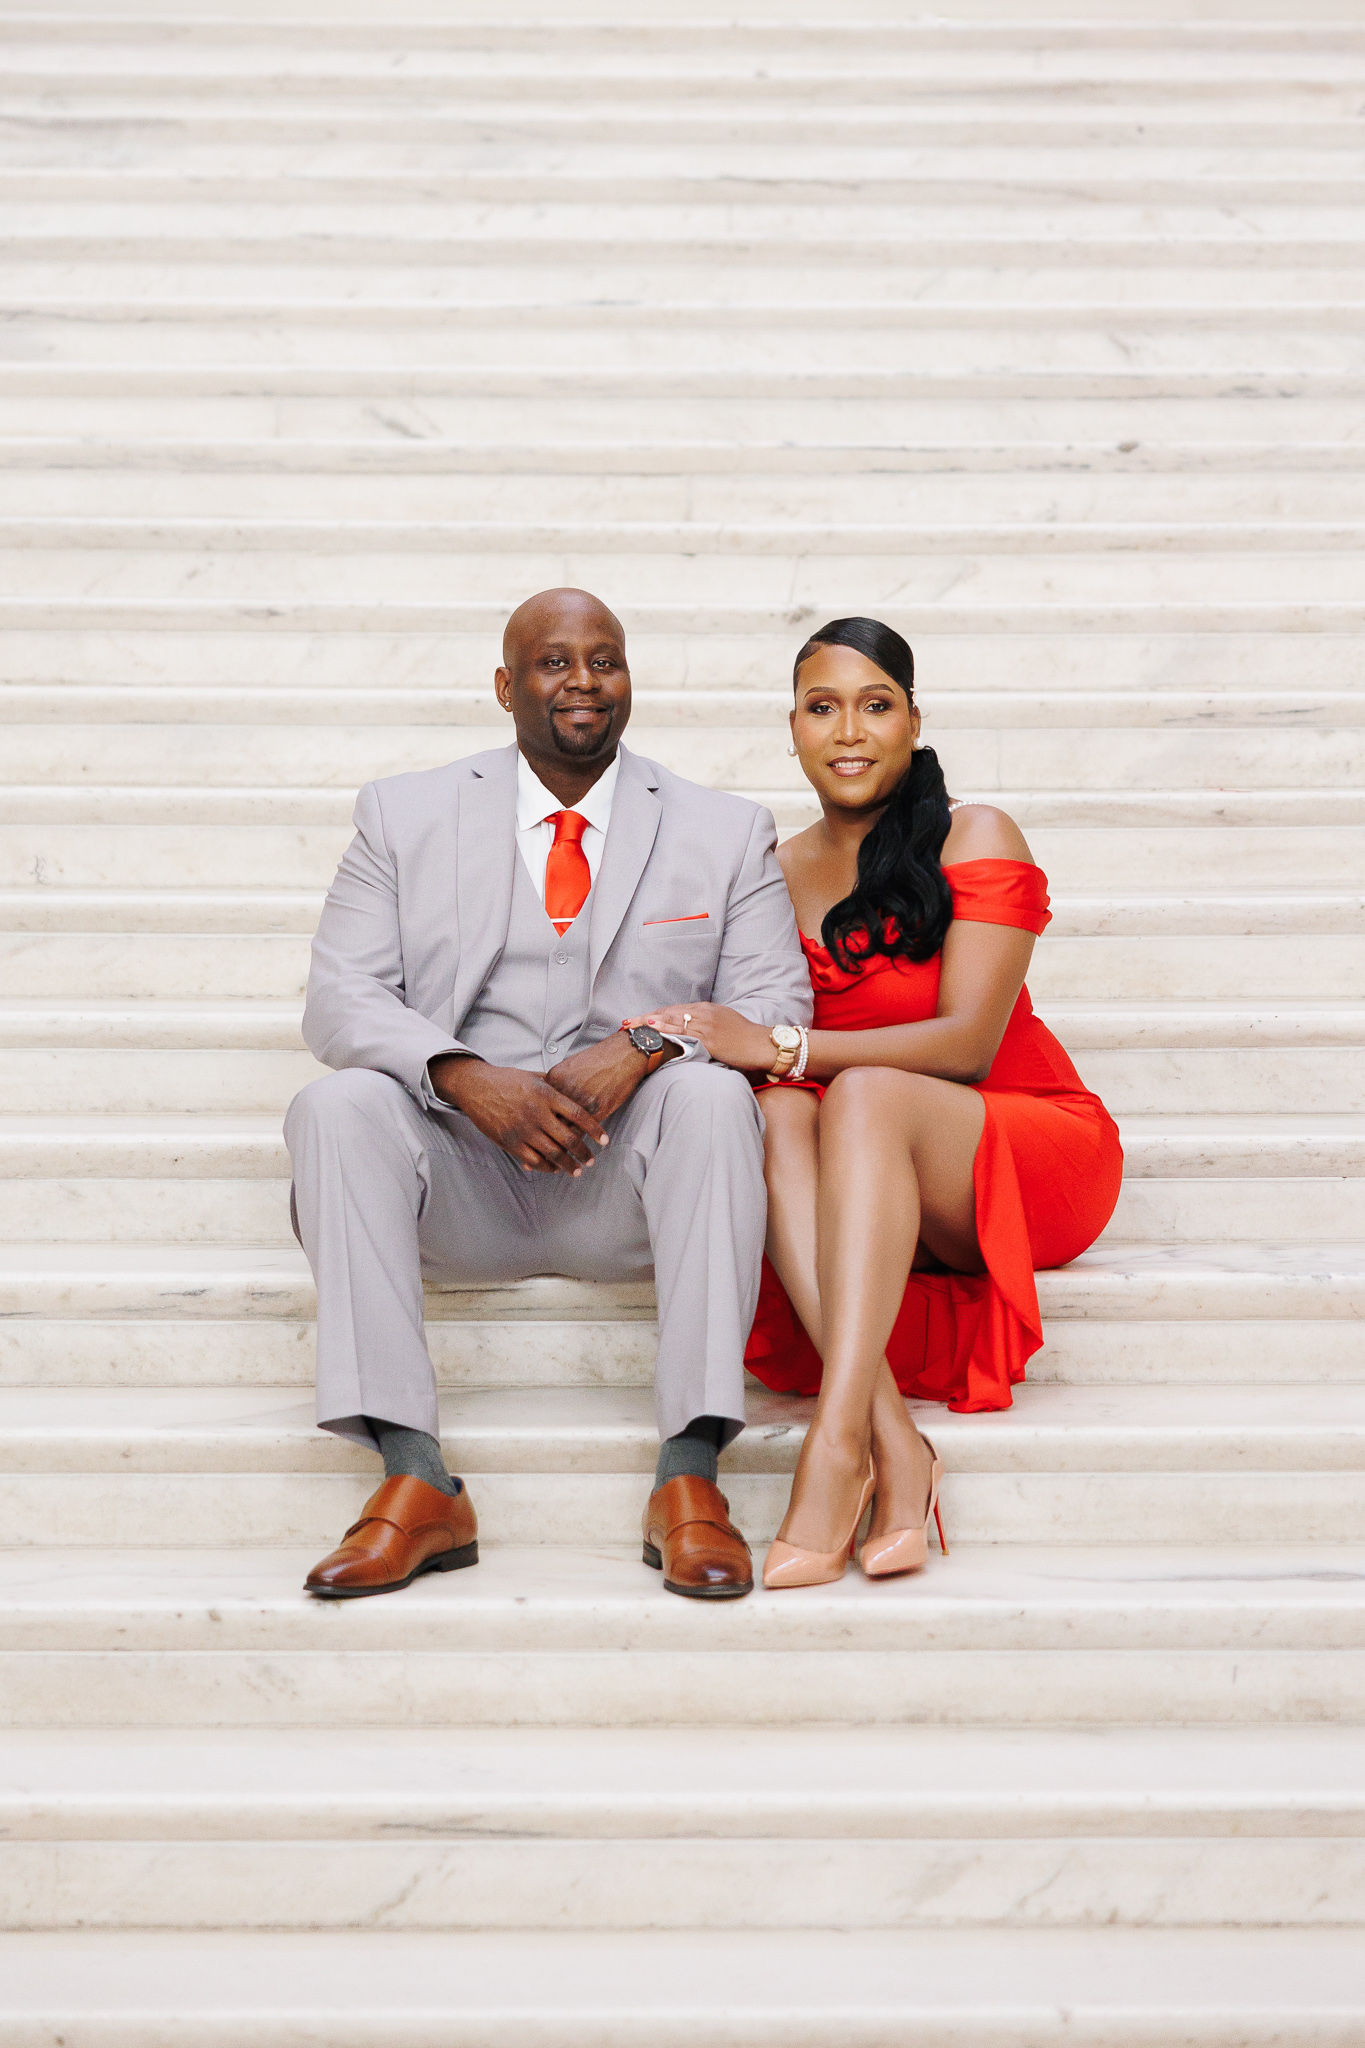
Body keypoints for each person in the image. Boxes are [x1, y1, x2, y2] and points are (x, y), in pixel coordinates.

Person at [286, 587, 811, 1602]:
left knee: (711, 1102)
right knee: (336, 1105)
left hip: (632, 1189)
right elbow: (339, 995)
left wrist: (648, 1040)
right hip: (460, 1182)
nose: (583, 682)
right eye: (554, 662)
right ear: (505, 685)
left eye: (603, 660)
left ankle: (692, 1477)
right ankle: (415, 1476)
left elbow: (772, 1002)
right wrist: (462, 1076)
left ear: (629, 680)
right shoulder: (404, 812)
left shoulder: (724, 827)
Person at [636, 616, 1123, 1590]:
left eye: (875, 704)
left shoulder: (975, 832)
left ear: (911, 721)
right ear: (792, 728)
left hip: (1021, 1146)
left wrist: (783, 1043)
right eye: (823, 708)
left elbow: (967, 1043)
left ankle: (831, 1451)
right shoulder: (768, 870)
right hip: (874, 1174)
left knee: (846, 1090)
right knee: (775, 1109)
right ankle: (893, 1447)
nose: (848, 730)